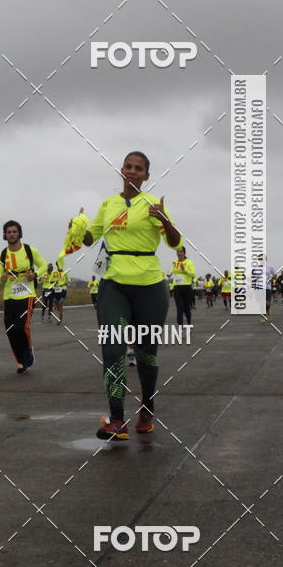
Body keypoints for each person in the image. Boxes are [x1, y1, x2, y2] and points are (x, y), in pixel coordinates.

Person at [81, 151, 182, 440]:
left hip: (150, 285)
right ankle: (116, 420)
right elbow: (90, 238)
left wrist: (164, 219)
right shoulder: (108, 204)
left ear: (147, 175)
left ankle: (147, 408)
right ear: (121, 170)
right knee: (112, 349)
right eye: (129, 166)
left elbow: (174, 242)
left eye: (139, 168)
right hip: (114, 283)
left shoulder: (152, 204)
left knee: (146, 353)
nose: (133, 171)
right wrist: (78, 230)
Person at [0, 220, 47, 373]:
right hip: (9, 296)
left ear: (19, 233)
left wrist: (35, 274)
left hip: (27, 294)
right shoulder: (3, 254)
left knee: (21, 326)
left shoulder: (30, 251)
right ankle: (20, 362)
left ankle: (28, 353)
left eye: (14, 231)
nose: (11, 234)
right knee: (10, 329)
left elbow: (43, 266)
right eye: (8, 232)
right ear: (5, 235)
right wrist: (0, 278)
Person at [169, 247, 196, 325]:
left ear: (184, 253)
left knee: (187, 309)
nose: (179, 253)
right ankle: (180, 329)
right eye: (178, 252)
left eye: (181, 251)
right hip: (177, 288)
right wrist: (169, 273)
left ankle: (189, 324)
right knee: (179, 309)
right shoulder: (175, 262)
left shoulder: (189, 262)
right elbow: (173, 269)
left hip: (187, 287)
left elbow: (193, 274)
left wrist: (185, 269)